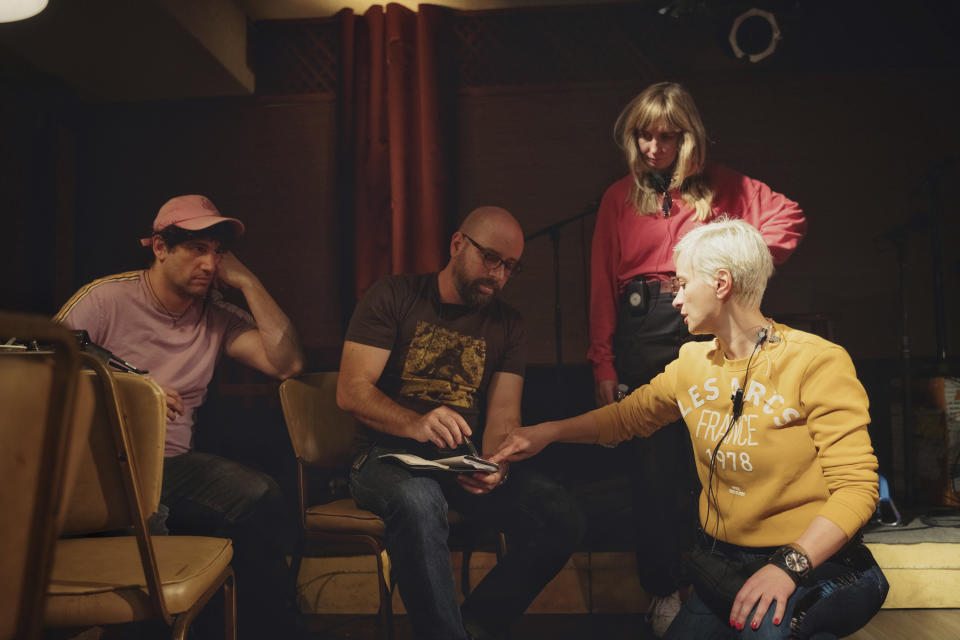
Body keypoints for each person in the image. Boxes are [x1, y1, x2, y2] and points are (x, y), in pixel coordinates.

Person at [492, 218, 888, 639]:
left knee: (769, 632)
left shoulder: (815, 361)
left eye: (682, 284)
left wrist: (788, 566)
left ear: (721, 284)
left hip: (817, 564)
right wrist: (545, 433)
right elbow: (626, 417)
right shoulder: (692, 364)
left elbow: (857, 489)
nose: (676, 299)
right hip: (727, 567)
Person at [587, 81, 808, 634]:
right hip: (643, 329)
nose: (654, 148)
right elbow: (598, 289)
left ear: (689, 138)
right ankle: (664, 592)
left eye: (667, 136)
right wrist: (603, 365)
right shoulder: (619, 197)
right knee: (654, 470)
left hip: (709, 324)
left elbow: (789, 219)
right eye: (644, 136)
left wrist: (738, 268)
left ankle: (721, 590)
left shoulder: (726, 185)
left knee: (718, 459)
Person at [55, 195, 305, 637]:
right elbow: (45, 368)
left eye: (217, 252)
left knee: (259, 494)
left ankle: (270, 627)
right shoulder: (107, 298)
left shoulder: (217, 316)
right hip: (102, 465)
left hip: (171, 464)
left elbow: (286, 364)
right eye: (196, 249)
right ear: (159, 247)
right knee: (152, 523)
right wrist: (132, 388)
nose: (210, 263)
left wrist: (247, 281)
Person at [337, 206, 584, 640]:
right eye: (491, 259)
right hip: (383, 457)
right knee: (419, 500)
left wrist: (496, 463)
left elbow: (505, 412)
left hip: (457, 460)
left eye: (510, 267)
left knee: (560, 514)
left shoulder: (508, 324)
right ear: (457, 245)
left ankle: (475, 627)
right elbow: (351, 391)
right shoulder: (395, 296)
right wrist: (414, 423)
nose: (499, 275)